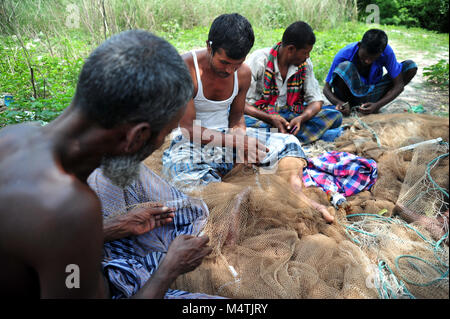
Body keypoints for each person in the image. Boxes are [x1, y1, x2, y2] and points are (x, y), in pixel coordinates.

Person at [0, 30, 216, 299]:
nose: (162, 143)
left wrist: (111, 229)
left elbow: (33, 239)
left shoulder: (14, 135)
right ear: (137, 136)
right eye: (165, 134)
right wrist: (169, 269)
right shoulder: (71, 211)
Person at [161, 14, 335, 223]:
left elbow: (236, 119)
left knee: (289, 142)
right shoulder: (185, 68)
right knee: (184, 177)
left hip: (226, 139)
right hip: (189, 143)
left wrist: (242, 142)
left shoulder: (242, 73)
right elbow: (189, 129)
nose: (229, 70)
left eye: (236, 64)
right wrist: (238, 142)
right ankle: (233, 197)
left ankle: (295, 194)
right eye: (224, 62)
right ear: (209, 47)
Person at [244, 21, 343, 145]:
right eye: (305, 52)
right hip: (261, 116)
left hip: (291, 115)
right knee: (242, 122)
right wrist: (270, 118)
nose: (307, 56)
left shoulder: (305, 64)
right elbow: (240, 103)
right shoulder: (259, 59)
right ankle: (293, 137)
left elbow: (316, 101)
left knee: (335, 116)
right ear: (291, 49)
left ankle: (279, 137)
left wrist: (301, 118)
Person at [323, 28, 417, 116]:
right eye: (364, 56)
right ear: (359, 45)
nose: (367, 61)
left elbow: (399, 85)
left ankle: (371, 107)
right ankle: (350, 108)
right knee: (344, 66)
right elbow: (326, 89)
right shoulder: (344, 54)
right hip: (349, 98)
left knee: (410, 66)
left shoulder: (386, 52)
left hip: (372, 95)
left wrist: (377, 105)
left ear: (381, 52)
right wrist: (339, 103)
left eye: (373, 58)